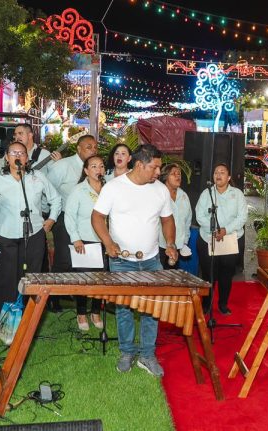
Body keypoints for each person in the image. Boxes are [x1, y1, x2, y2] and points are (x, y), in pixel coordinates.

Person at [91, 144, 178, 378]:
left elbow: (167, 220)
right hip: (122, 261)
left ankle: (147, 355)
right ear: (139, 165)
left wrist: (170, 243)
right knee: (124, 309)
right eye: (155, 167)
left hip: (151, 260)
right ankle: (127, 352)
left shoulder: (160, 190)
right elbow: (97, 217)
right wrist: (108, 243)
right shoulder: (114, 188)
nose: (159, 172)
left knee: (152, 309)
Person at [0, 142, 62, 325]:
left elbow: (56, 199)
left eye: (22, 153)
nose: (18, 156)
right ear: (7, 157)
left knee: (31, 276)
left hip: (34, 234)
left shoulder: (38, 177)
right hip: (6, 235)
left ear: (27, 158)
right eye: (13, 153)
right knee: (6, 276)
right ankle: (3, 314)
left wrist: (51, 219)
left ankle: (28, 315)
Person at [195, 164, 248, 316]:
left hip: (230, 240)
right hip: (208, 238)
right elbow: (199, 215)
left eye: (222, 172)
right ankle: (207, 305)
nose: (218, 175)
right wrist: (214, 230)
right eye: (216, 172)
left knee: (226, 274)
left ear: (229, 177)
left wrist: (226, 230)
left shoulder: (237, 194)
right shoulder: (207, 193)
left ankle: (223, 304)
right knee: (208, 274)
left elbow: (242, 217)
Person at [46, 136, 99, 278]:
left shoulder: (97, 168)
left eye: (95, 147)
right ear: (79, 149)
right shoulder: (64, 165)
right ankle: (56, 290)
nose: (93, 150)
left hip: (87, 220)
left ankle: (81, 289)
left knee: (85, 259)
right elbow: (47, 190)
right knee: (65, 259)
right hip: (64, 217)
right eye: (89, 147)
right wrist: (50, 215)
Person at [64, 155, 106, 331]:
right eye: (94, 166)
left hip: (105, 240)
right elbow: (69, 215)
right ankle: (81, 313)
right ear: (86, 171)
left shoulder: (109, 189)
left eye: (101, 166)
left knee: (100, 280)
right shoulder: (79, 190)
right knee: (84, 280)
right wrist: (75, 238)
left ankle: (96, 312)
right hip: (85, 240)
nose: (98, 169)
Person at [158, 164, 192, 270]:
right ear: (165, 177)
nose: (178, 176)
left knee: (172, 276)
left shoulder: (184, 195)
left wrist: (185, 242)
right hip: (159, 246)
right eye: (173, 174)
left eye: (179, 174)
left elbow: (187, 221)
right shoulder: (158, 194)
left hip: (176, 247)